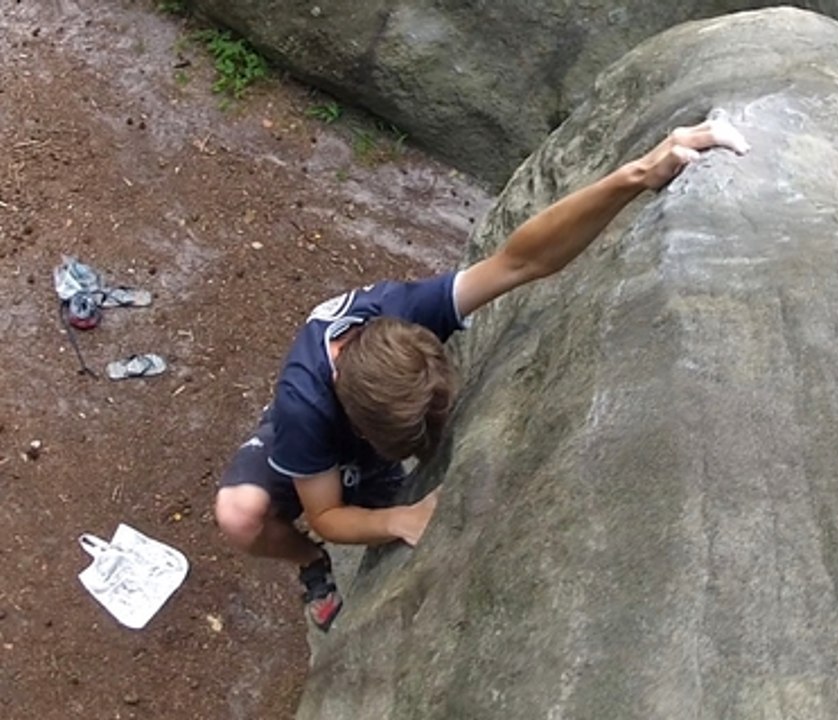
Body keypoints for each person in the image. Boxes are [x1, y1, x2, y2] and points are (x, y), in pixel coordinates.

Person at [214, 117, 750, 631]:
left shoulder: (405, 311)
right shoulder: (304, 407)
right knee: (239, 515)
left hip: (367, 431)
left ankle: (380, 481)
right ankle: (311, 565)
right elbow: (327, 512)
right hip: (325, 451)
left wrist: (636, 175)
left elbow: (522, 261)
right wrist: (397, 521)